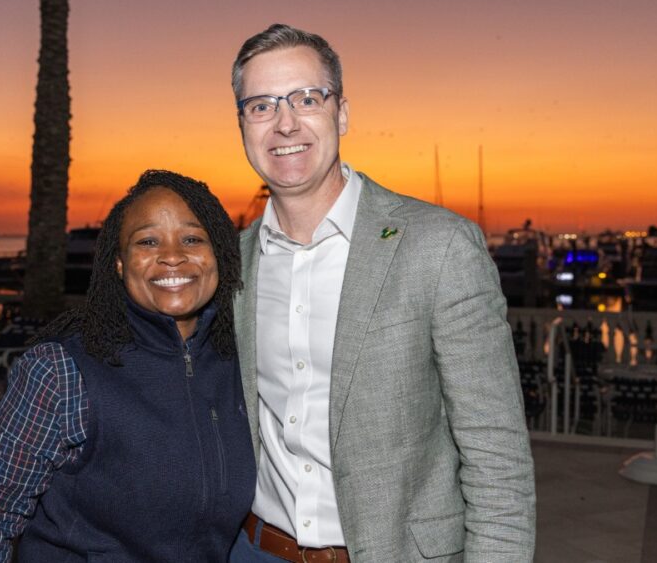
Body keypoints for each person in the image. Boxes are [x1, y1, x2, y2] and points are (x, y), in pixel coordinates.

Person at [228, 24, 536, 562]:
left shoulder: (438, 246)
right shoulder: (233, 262)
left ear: (341, 113)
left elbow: (497, 455)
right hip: (257, 551)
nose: (284, 123)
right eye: (261, 106)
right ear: (243, 126)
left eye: (306, 98)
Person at [0, 170, 256, 562]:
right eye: (147, 241)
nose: (173, 255)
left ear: (220, 256)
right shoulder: (61, 369)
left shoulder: (240, 362)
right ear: (120, 264)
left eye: (192, 238)